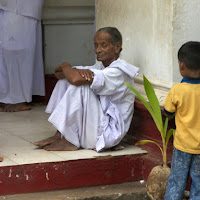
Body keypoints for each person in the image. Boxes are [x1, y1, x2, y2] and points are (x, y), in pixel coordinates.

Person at [34, 27, 139, 152]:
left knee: (80, 85)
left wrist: (66, 66)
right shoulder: (99, 67)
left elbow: (75, 79)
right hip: (95, 125)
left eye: (103, 45)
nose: (97, 50)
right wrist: (66, 68)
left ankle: (69, 141)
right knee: (65, 81)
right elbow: (59, 74)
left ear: (117, 47)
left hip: (106, 133)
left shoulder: (119, 71)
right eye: (96, 45)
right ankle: (60, 134)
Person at [164, 41, 200, 200]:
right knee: (198, 182)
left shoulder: (178, 90)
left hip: (183, 145)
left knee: (177, 179)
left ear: (181, 65)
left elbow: (168, 112)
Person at [0, 0, 45, 112]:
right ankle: (10, 98)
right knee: (8, 53)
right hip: (12, 7)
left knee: (14, 52)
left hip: (19, 8)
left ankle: (16, 99)